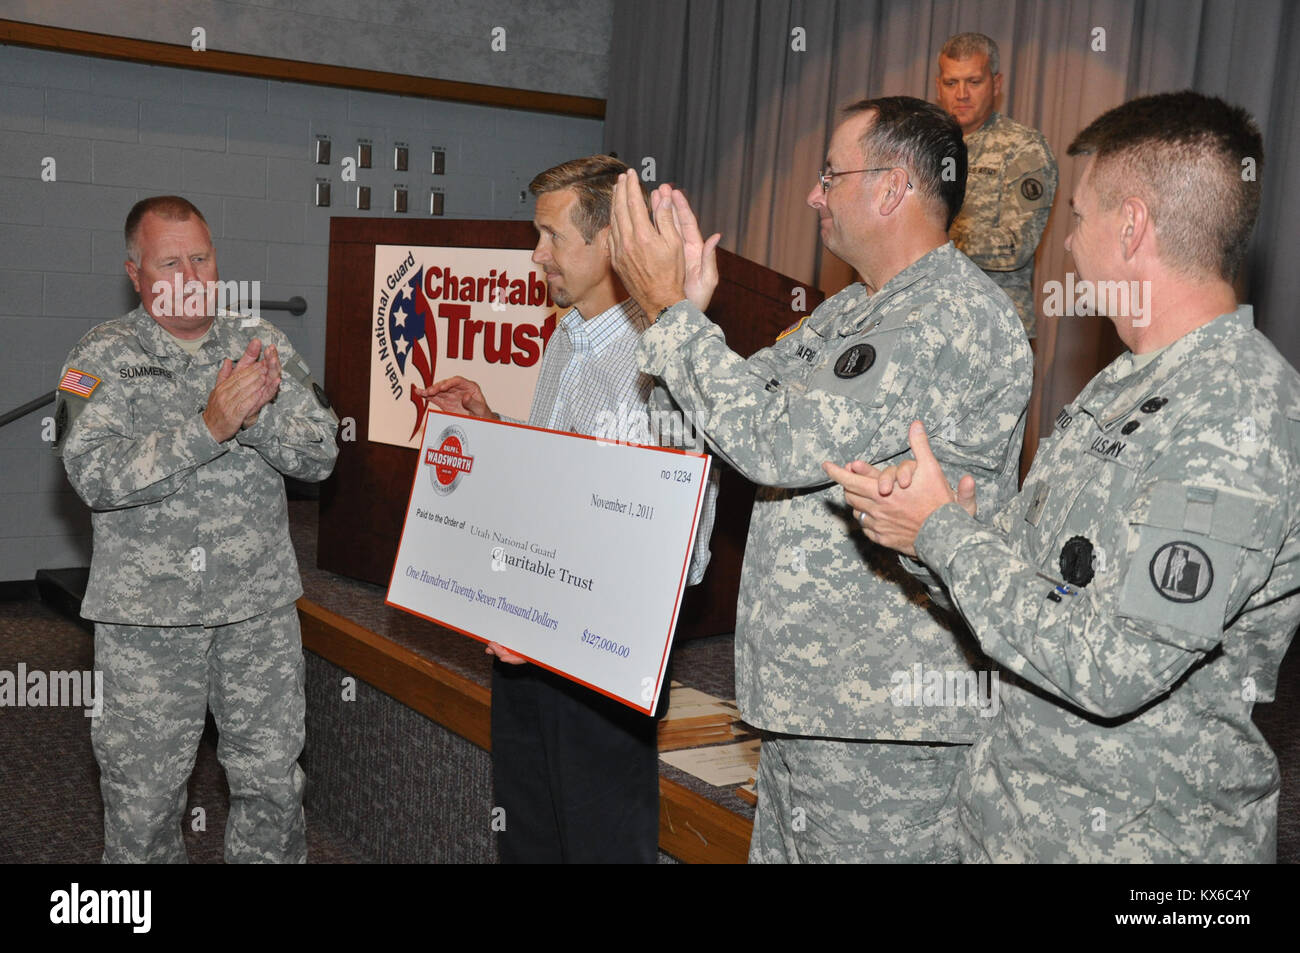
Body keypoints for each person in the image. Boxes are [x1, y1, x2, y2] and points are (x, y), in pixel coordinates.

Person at [829, 91, 1298, 862]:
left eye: (1078, 219)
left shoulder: (1236, 418)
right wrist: (929, 527)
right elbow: (1031, 580)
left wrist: (943, 534)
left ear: (1133, 226)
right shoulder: (1125, 385)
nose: (1070, 247)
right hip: (1017, 823)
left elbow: (1113, 665)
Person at [608, 97, 1031, 862]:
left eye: (830, 175)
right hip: (815, 699)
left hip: (886, 722)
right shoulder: (849, 311)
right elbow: (726, 419)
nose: (814, 194)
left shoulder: (948, 314)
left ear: (893, 187)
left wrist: (671, 315)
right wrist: (685, 314)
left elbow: (777, 443)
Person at [419, 155, 718, 863]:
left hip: (601, 655)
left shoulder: (666, 354)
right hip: (528, 638)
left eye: (551, 236)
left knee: (600, 842)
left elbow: (683, 545)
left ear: (608, 243)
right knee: (529, 836)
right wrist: (490, 425)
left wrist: (553, 626)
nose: (536, 253)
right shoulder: (566, 338)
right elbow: (559, 488)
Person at [54, 195, 339, 863]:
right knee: (144, 800)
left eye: (202, 257)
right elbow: (92, 473)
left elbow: (322, 452)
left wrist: (257, 416)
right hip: (147, 625)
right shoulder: (103, 354)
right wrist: (205, 428)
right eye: (170, 261)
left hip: (256, 614)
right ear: (136, 273)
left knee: (272, 785)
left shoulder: (261, 345)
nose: (190, 274)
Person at [936, 32, 1057, 341]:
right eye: (951, 83)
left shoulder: (1023, 148)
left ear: (997, 84)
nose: (961, 94)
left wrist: (935, 241)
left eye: (973, 82)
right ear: (939, 87)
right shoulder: (924, 147)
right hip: (932, 324)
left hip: (995, 329)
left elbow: (1017, 246)